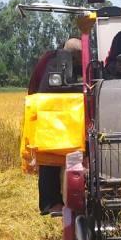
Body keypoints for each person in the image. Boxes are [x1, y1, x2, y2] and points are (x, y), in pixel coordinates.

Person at [29, 38, 83, 216]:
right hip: (48, 113)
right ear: (72, 58)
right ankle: (51, 202)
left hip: (64, 111)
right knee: (50, 157)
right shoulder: (52, 62)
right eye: (78, 60)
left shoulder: (51, 58)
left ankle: (73, 195)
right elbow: (45, 90)